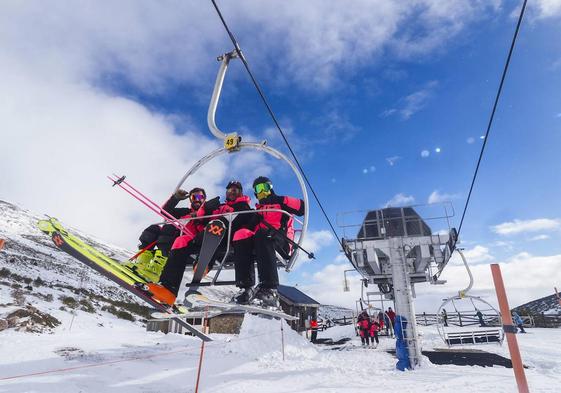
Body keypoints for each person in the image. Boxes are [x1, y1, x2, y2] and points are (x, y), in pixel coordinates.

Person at [148, 182, 252, 306]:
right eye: (229, 190)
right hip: (200, 238)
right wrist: (202, 209)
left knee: (215, 228)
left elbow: (240, 220)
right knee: (181, 241)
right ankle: (168, 289)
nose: (232, 192)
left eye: (235, 190)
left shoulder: (243, 207)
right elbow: (168, 213)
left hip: (224, 238)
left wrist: (208, 214)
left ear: (241, 192)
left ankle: (204, 264)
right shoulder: (217, 207)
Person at [232, 176, 305, 307]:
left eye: (264, 187)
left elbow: (302, 208)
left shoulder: (281, 204)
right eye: (258, 189)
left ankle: (269, 289)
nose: (261, 191)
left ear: (270, 188)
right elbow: (248, 228)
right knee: (241, 234)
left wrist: (281, 199)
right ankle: (246, 286)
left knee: (262, 233)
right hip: (262, 242)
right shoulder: (258, 210)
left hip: (281, 241)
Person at [129, 188, 204, 282]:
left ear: (204, 199)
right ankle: (141, 264)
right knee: (153, 229)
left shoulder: (209, 212)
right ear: (190, 199)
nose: (197, 199)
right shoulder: (185, 212)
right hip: (175, 240)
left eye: (200, 196)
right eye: (193, 197)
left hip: (190, 246)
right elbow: (165, 212)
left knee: (169, 229)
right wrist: (175, 198)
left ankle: (156, 270)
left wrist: (199, 217)